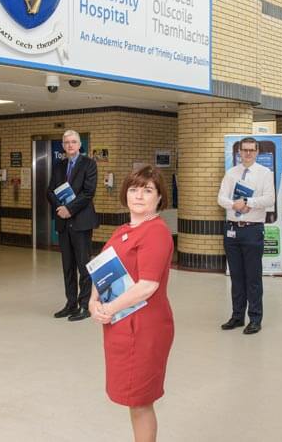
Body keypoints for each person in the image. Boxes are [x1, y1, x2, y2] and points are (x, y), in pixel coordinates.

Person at [90, 166, 174, 442]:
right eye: (134, 189)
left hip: (144, 327)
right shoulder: (125, 229)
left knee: (140, 401)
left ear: (159, 198)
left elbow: (148, 286)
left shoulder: (156, 232)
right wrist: (93, 301)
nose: (139, 195)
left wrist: (109, 309)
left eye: (148, 190)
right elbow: (104, 267)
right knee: (132, 398)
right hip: (120, 324)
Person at [217, 137, 275, 335]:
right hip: (232, 230)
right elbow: (221, 198)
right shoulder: (231, 173)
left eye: (251, 150)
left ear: (257, 152)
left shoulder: (265, 173)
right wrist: (234, 204)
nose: (248, 153)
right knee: (236, 276)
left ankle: (255, 318)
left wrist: (248, 201)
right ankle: (237, 316)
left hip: (252, 230)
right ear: (239, 152)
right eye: (244, 150)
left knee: (253, 277)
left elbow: (269, 198)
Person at [46, 129, 98, 321]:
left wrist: (69, 209)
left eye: (73, 142)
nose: (70, 145)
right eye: (66, 142)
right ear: (63, 146)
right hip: (63, 223)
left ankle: (85, 306)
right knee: (67, 266)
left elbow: (88, 192)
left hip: (81, 222)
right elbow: (50, 191)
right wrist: (60, 207)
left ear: (79, 144)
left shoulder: (89, 164)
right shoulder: (59, 166)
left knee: (84, 266)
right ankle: (71, 304)